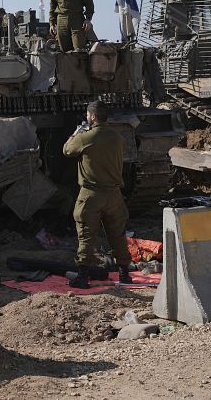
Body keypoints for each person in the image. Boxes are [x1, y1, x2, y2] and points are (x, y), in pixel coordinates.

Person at [62, 100, 132, 288]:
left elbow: (67, 151)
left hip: (91, 195)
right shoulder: (117, 137)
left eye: (87, 114)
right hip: (115, 196)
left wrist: (77, 133)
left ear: (93, 116)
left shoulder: (86, 137)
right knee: (118, 235)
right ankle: (125, 274)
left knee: (86, 235)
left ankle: (82, 277)